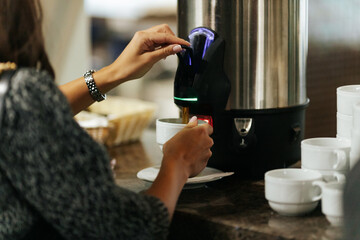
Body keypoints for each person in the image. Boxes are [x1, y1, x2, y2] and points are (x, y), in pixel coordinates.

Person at [0, 0, 214, 239]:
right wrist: (179, 162)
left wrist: (114, 72)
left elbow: (27, 108)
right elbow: (127, 229)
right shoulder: (21, 96)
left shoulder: (17, 98)